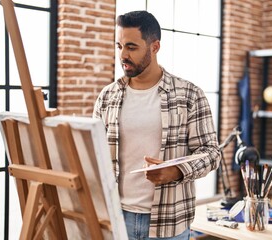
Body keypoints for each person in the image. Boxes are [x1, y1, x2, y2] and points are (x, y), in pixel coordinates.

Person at [93, 10, 221, 239]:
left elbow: (212, 154)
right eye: (119, 46)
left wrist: (176, 171)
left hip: (169, 222)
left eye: (131, 47)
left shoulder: (189, 95)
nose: (123, 54)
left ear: (155, 47)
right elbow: (94, 155)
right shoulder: (107, 96)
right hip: (115, 219)